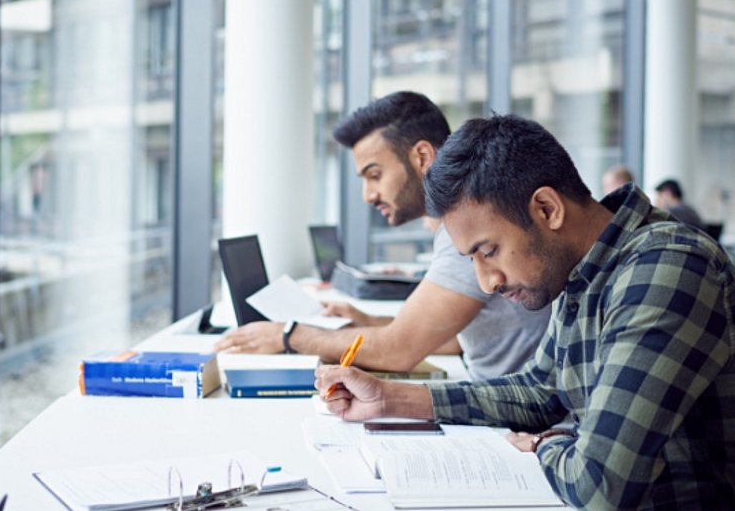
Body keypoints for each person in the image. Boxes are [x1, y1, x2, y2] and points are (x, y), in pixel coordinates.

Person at [317, 114, 735, 511]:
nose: (487, 282)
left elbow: (600, 485)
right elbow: (539, 391)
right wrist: (391, 397)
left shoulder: (668, 268)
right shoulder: (581, 268)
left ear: (546, 208)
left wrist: (548, 443)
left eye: (489, 251)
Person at [214, 92, 550, 380]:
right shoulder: (457, 227)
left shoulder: (466, 228)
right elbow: (454, 338)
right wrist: (369, 321)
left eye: (375, 175)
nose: (368, 195)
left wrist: (288, 335)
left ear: (422, 157)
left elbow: (399, 351)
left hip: (513, 412)